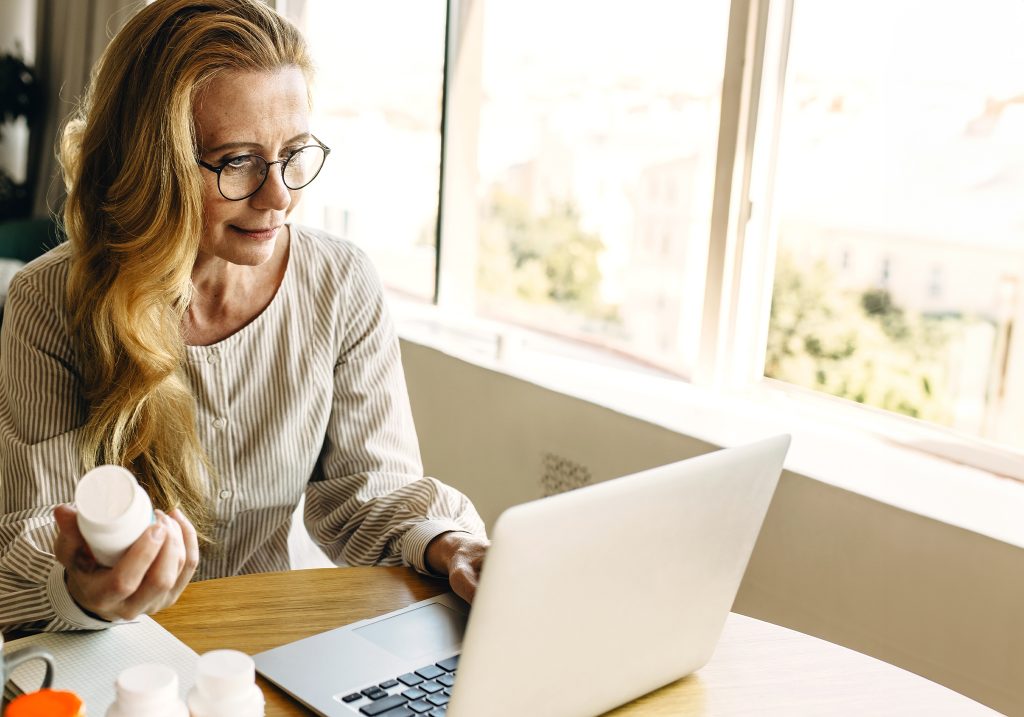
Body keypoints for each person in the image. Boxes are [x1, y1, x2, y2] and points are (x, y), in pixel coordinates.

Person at [0, 0, 487, 633]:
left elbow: (368, 493)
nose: (279, 196)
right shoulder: (49, 302)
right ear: (154, 163)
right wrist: (85, 588)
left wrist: (450, 544)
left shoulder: (341, 282)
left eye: (294, 153)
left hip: (276, 637)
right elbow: (30, 538)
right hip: (117, 649)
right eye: (237, 161)